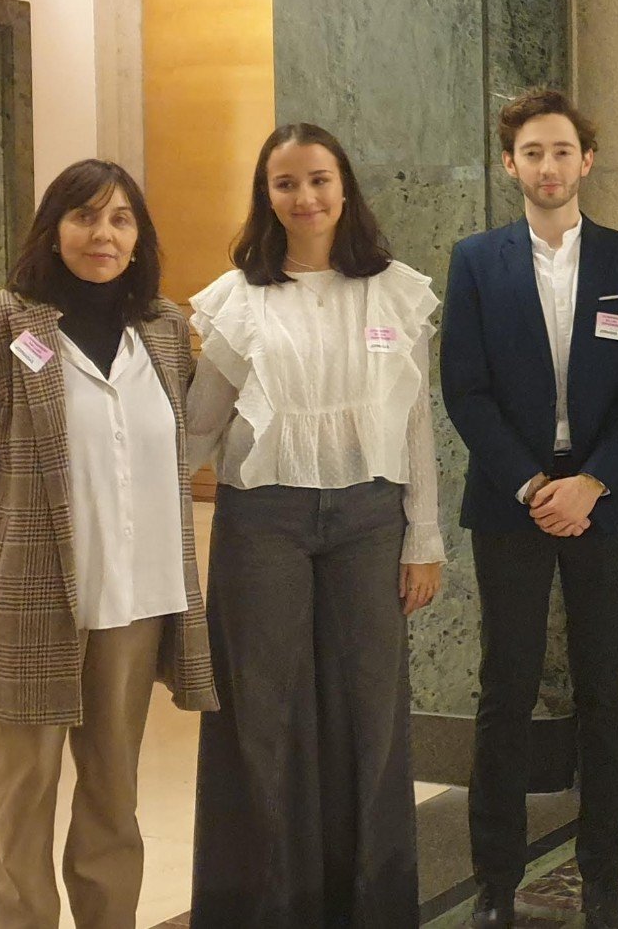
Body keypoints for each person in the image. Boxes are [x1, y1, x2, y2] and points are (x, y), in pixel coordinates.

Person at [0, 159, 217, 928]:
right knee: (24, 795)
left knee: (114, 790)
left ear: (138, 236)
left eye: (121, 219)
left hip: (132, 597)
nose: (104, 234)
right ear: (54, 229)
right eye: (86, 217)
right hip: (25, 600)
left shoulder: (162, 329)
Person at [186, 123, 446, 927]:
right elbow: (197, 428)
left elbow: (412, 426)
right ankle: (266, 906)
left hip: (370, 518)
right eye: (286, 183)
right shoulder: (238, 299)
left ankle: (370, 905)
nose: (305, 198)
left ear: (345, 187)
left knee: (373, 713)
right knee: (260, 717)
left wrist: (422, 537)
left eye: (319, 180)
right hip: (263, 519)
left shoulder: (395, 290)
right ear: (266, 196)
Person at [440, 88, 618, 929]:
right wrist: (535, 486)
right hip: (513, 503)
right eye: (531, 152)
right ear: (511, 164)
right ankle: (494, 883)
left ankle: (601, 875)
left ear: (587, 160)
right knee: (507, 687)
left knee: (606, 687)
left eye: (561, 151)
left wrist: (592, 482)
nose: (547, 166)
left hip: (604, 500)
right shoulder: (475, 261)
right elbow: (462, 389)